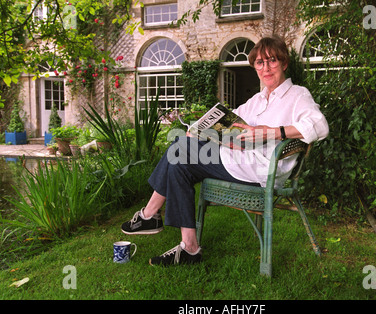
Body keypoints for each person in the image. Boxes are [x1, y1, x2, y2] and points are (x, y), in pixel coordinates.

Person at [120, 35, 329, 266]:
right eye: (260, 63)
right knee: (180, 157)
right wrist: (201, 130)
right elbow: (230, 119)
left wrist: (272, 132)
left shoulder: (298, 95)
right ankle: (189, 247)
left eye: (272, 61)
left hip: (263, 170)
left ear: (284, 63)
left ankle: (150, 215)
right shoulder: (258, 100)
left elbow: (319, 126)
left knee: (180, 149)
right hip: (240, 159)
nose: (266, 68)